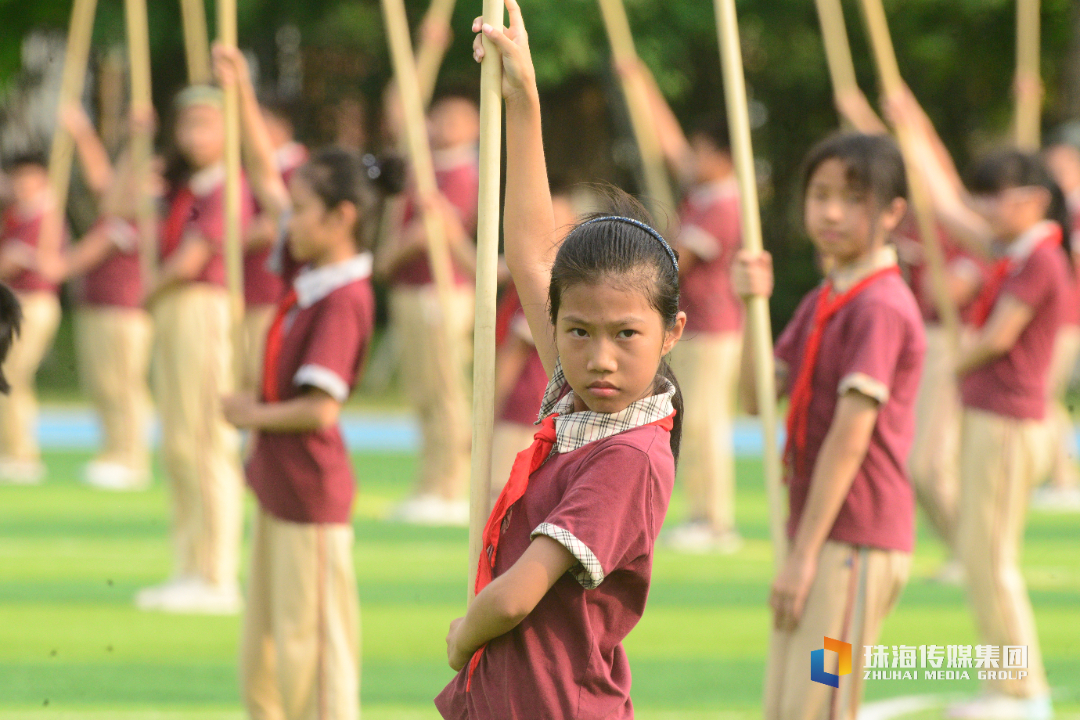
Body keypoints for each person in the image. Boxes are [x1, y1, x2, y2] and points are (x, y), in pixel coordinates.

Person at [435, 8, 685, 718]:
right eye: (576, 332)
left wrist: (463, 636)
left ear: (671, 334)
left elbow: (517, 596)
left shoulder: (630, 454)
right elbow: (529, 252)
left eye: (625, 336)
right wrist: (524, 98)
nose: (597, 358)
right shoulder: (577, 400)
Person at [215, 44, 403, 720]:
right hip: (277, 488)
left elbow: (320, 410)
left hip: (311, 494)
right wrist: (239, 93)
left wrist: (247, 414)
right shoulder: (309, 269)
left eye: (300, 211)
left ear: (342, 218)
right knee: (265, 647)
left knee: (315, 650)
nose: (285, 219)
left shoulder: (345, 297)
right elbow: (270, 185)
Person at [735, 133, 925, 720]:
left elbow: (851, 438)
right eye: (820, 195)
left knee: (823, 700)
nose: (832, 212)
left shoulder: (880, 307)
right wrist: (750, 307)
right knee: (790, 705)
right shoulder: (828, 296)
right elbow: (756, 397)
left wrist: (803, 556)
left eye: (853, 198)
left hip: (852, 546)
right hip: (821, 540)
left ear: (893, 212)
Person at [894, 92, 1067, 718]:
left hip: (1007, 422)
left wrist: (941, 366)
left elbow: (997, 337)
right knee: (981, 556)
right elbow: (943, 201)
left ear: (1035, 200)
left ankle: (1021, 689)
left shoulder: (1042, 258)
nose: (988, 206)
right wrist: (912, 126)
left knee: (993, 561)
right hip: (993, 418)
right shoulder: (1015, 250)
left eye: (999, 195)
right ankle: (1007, 680)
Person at [836, 88, 986, 579]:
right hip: (923, 341)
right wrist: (866, 116)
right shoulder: (918, 224)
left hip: (951, 344)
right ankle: (965, 550)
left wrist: (912, 122)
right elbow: (903, 157)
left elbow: (929, 163)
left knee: (928, 462)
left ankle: (970, 550)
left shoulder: (959, 228)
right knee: (918, 461)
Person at [134, 84, 256, 614]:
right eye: (186, 125)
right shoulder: (187, 184)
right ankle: (189, 563)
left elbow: (192, 257)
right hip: (176, 308)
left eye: (206, 124)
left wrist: (148, 289)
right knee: (179, 443)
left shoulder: (226, 185)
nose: (193, 136)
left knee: (205, 441)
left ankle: (215, 570)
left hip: (202, 306)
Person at [635, 66, 745, 551]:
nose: (692, 159)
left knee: (705, 422)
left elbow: (678, 260)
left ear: (722, 157)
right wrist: (642, 83)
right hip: (697, 326)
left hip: (714, 328)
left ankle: (714, 519)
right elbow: (670, 144)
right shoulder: (703, 192)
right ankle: (702, 512)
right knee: (693, 419)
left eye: (702, 152)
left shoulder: (724, 204)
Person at [380, 92, 480, 526]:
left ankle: (452, 484)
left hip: (441, 292)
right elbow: (398, 110)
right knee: (422, 391)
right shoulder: (420, 163)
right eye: (438, 118)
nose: (444, 127)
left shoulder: (463, 172)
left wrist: (387, 256)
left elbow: (432, 233)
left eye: (456, 119)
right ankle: (428, 482)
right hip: (411, 290)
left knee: (444, 392)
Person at [60, 104, 154, 491]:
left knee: (123, 385)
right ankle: (114, 450)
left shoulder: (138, 220)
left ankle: (131, 456)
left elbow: (107, 183)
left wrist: (138, 142)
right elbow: (102, 179)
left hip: (124, 313)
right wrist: (82, 133)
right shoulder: (113, 213)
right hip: (98, 310)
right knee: (103, 384)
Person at [488, 185, 578, 507]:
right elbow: (482, 269)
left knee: (501, 498)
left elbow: (513, 357)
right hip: (541, 409)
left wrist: (488, 411)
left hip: (523, 407)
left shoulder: (545, 286)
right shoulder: (546, 276)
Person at [0, 151, 65, 485]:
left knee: (13, 374)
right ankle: (12, 450)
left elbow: (10, 264)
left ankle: (22, 455)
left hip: (33, 304)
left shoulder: (44, 216)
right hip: (14, 303)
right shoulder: (17, 214)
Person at [236, 98, 308, 394]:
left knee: (262, 377)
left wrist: (220, 242)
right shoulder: (245, 170)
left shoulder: (297, 169)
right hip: (248, 287)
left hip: (271, 289)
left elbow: (275, 223)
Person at [1035, 123, 1080, 510]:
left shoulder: (1074, 210)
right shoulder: (1057, 208)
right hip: (1057, 316)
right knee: (1046, 395)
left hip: (1068, 317)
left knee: (1045, 394)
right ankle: (1060, 474)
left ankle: (1063, 477)